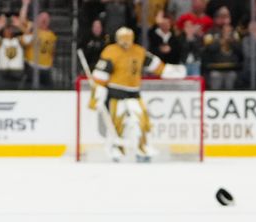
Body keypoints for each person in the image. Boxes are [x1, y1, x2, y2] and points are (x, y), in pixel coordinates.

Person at [88, 26, 187, 162]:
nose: (125, 41)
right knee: (118, 122)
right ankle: (117, 149)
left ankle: (143, 147)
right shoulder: (111, 51)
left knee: (142, 120)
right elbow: (101, 74)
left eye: (128, 38)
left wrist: (171, 71)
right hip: (116, 92)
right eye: (123, 38)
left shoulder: (139, 51)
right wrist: (97, 93)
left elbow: (156, 66)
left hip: (134, 92)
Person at [202, 7, 242, 89]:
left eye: (227, 17)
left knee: (232, 77)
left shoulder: (234, 33)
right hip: (214, 68)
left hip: (231, 68)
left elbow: (240, 49)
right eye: (222, 17)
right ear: (217, 18)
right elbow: (208, 49)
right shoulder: (210, 33)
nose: (225, 20)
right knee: (215, 77)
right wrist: (222, 40)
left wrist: (231, 40)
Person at [20, 2, 57, 88]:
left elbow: (53, 51)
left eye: (46, 18)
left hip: (46, 69)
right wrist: (25, 5)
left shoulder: (52, 35)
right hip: (32, 67)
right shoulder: (33, 29)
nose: (44, 20)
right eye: (42, 18)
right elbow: (22, 20)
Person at [0, 14, 26, 89]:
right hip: (2, 72)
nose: (8, 30)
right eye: (6, 28)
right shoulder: (0, 41)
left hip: (17, 72)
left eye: (10, 28)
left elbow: (29, 38)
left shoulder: (18, 40)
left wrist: (20, 26)